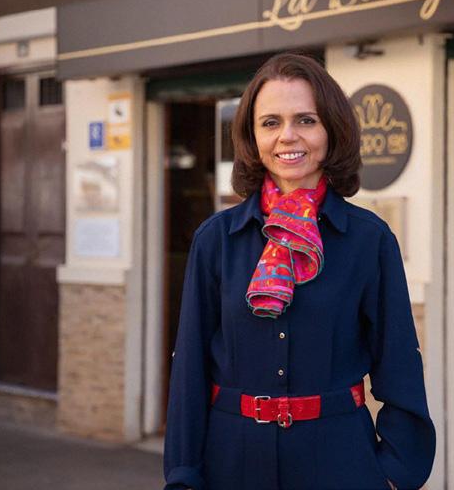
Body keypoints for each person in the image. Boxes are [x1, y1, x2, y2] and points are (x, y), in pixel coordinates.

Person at [163, 53, 436, 490]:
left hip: (341, 463)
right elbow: (190, 370)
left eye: (306, 120)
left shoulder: (369, 239)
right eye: (270, 122)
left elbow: (399, 363)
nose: (287, 136)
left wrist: (395, 473)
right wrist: (182, 474)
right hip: (231, 464)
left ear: (331, 130)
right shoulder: (215, 240)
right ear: (252, 136)